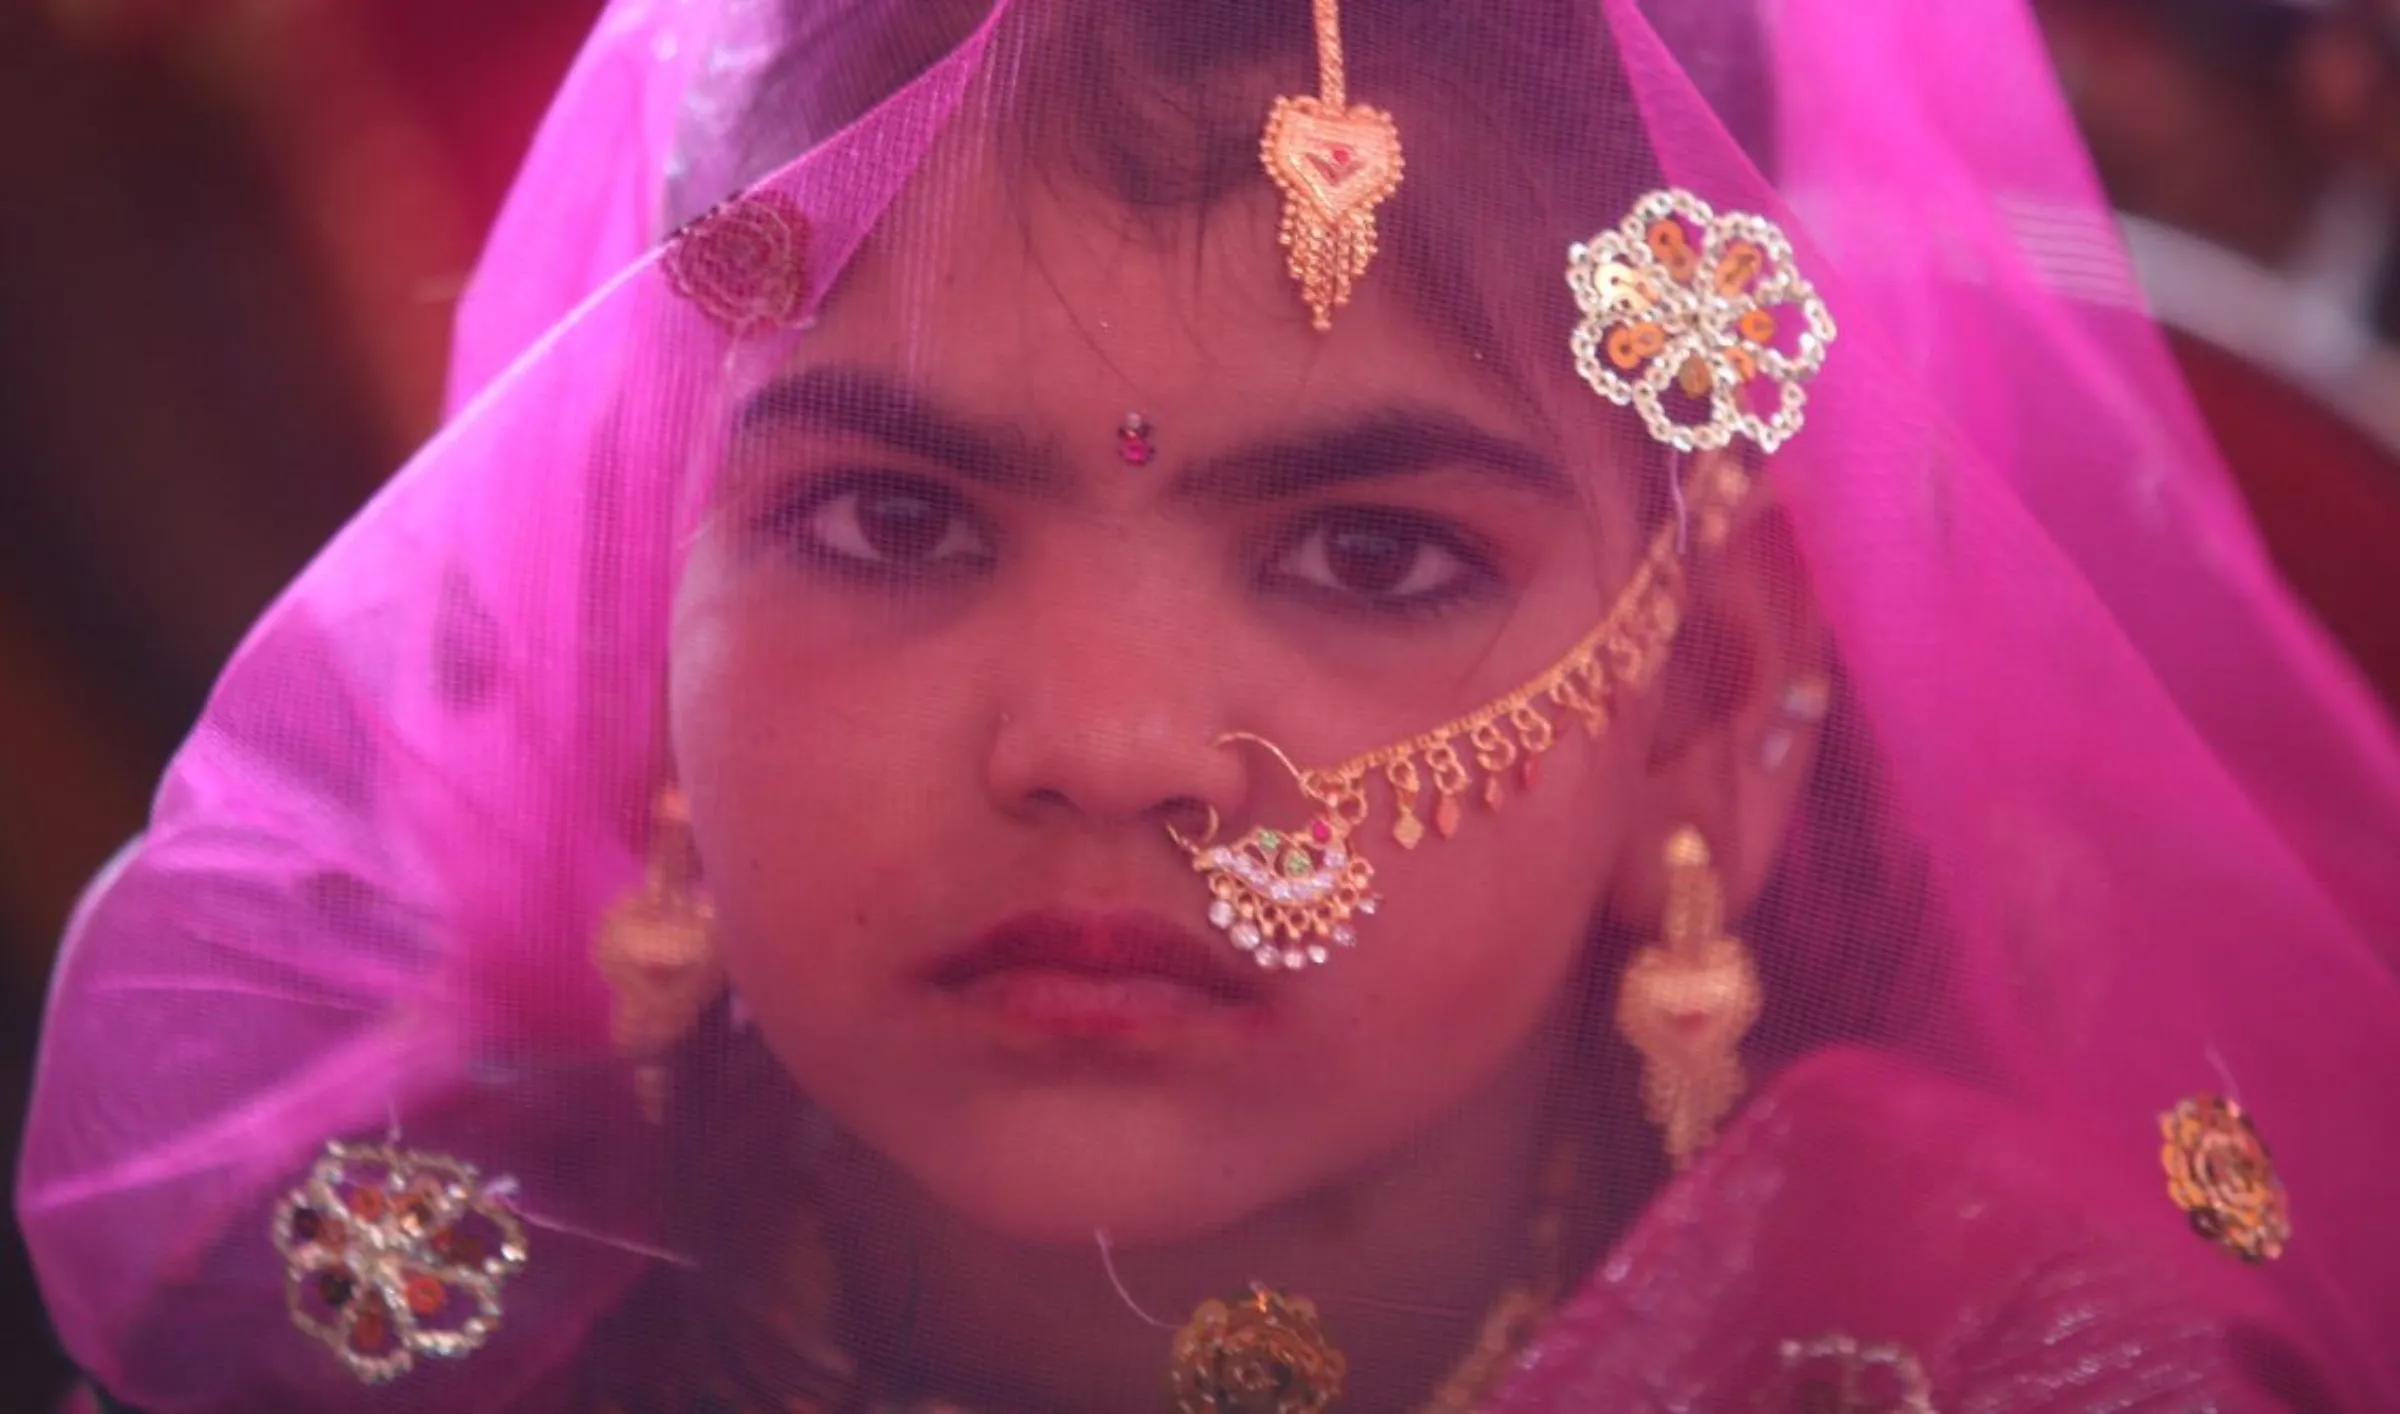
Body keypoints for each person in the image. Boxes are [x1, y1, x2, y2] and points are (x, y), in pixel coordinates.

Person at [20, 1, 2400, 1409]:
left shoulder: (1983, 1349)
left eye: (1373, 552)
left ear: (1715, 689)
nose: (1105, 737)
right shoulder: (432, 1273)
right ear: (638, 574)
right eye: (891, 520)